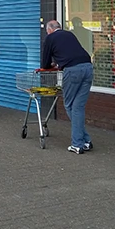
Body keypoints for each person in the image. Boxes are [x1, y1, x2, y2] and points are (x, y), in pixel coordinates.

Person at [42, 20, 93, 154]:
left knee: (69, 105)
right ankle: (85, 140)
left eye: (47, 31)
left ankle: (77, 144)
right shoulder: (69, 34)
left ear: (50, 30)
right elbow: (71, 52)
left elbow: (45, 62)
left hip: (73, 71)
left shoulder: (50, 38)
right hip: (88, 67)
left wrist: (52, 65)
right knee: (78, 107)